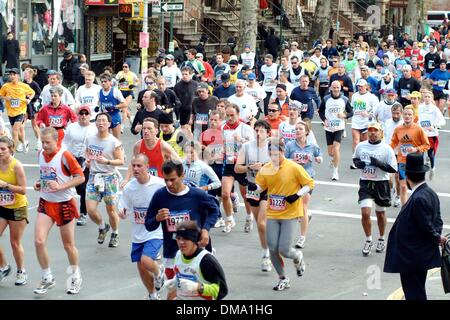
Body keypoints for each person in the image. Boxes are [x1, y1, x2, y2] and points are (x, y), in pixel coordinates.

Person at [145, 160, 220, 299]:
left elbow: (215, 210)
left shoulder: (197, 195)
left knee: (200, 292)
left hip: (197, 252)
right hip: (172, 253)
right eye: (166, 180)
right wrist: (157, 218)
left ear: (182, 175)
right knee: (176, 292)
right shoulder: (160, 196)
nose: (169, 184)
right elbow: (149, 225)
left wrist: (205, 229)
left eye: (172, 179)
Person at [253, 137, 314, 291]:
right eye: (271, 154)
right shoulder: (266, 168)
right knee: (272, 247)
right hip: (273, 213)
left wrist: (297, 195)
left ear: (282, 152)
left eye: (276, 153)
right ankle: (283, 278)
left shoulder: (293, 167)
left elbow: (309, 184)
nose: (274, 157)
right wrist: (253, 187)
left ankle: (297, 256)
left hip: (291, 214)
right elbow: (261, 185)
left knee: (284, 249)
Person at [384, 152, 446, 300]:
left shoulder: (418, 198)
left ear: (407, 175)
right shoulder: (430, 193)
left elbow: (426, 226)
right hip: (419, 255)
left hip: (412, 257)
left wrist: (437, 238)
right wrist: (436, 237)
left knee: (414, 293)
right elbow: (438, 221)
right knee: (416, 291)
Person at [33, 127, 85, 295]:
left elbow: (80, 177)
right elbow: (46, 175)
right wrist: (39, 184)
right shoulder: (40, 154)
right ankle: (47, 276)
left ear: (57, 141)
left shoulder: (65, 156)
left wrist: (61, 186)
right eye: (42, 142)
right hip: (46, 202)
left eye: (48, 142)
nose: (45, 145)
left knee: (68, 245)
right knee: (39, 241)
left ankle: (75, 275)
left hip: (64, 203)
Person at [118, 154, 166, 300]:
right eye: (133, 166)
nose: (136, 168)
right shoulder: (129, 188)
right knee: (141, 267)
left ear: (147, 167)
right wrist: (121, 212)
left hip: (155, 231)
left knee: (146, 261)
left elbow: (170, 198)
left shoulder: (159, 184)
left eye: (139, 166)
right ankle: (152, 294)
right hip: (138, 233)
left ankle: (159, 272)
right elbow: (122, 206)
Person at [352, 122, 397, 256]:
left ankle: (382, 238)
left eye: (375, 130)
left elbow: (393, 168)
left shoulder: (386, 148)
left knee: (380, 213)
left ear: (381, 133)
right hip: (366, 182)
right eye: (370, 130)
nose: (372, 133)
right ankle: (368, 239)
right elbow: (355, 160)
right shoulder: (361, 146)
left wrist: (378, 163)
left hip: (381, 183)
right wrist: (358, 164)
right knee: (365, 213)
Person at [235, 120, 272, 271]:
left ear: (268, 133)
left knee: (263, 223)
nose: (258, 133)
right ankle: (266, 248)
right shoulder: (246, 147)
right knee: (260, 224)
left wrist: (263, 167)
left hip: (268, 187)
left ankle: (267, 256)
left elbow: (279, 167)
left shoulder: (273, 146)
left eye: (262, 131)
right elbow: (237, 168)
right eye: (256, 130)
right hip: (252, 186)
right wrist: (250, 167)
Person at [85, 112, 125, 248]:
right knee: (90, 209)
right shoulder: (90, 138)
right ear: (95, 123)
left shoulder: (114, 142)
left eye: (104, 121)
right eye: (98, 120)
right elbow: (87, 152)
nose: (101, 123)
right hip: (94, 177)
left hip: (110, 178)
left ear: (109, 124)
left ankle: (115, 232)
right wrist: (88, 160)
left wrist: (107, 161)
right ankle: (102, 226)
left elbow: (121, 161)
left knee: (111, 210)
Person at [164, 221, 228, 300]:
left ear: (194, 240)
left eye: (186, 238)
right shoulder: (178, 255)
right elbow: (179, 278)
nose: (181, 242)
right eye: (178, 238)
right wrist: (174, 282)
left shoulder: (206, 260)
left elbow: (221, 291)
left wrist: (198, 287)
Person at [285, 121, 322, 249]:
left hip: (307, 178)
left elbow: (320, 156)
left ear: (306, 131)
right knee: (294, 207)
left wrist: (318, 159)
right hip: (293, 179)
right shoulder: (289, 145)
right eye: (296, 129)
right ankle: (305, 216)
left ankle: (302, 237)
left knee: (304, 206)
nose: (297, 131)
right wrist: (292, 160)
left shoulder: (312, 146)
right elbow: (282, 160)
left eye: (300, 129)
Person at [221, 104, 254, 233]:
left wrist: (240, 140)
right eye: (227, 115)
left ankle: (249, 216)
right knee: (225, 194)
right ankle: (229, 220)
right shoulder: (223, 127)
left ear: (238, 114)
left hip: (242, 164)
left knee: (245, 195)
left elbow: (253, 145)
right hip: (228, 163)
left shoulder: (245, 128)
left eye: (232, 115)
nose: (230, 118)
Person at [0, 137, 28, 285]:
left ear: (11, 149)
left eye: (3, 149)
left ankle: (21, 271)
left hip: (17, 207)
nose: (0, 152)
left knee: (14, 242)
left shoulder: (16, 166)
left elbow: (23, 190)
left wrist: (5, 185)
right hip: (2, 206)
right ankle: (4, 267)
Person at [63, 106, 97, 226]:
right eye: (81, 114)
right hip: (72, 158)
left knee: (83, 188)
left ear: (89, 115)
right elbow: (65, 142)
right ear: (77, 115)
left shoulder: (94, 128)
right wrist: (64, 154)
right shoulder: (72, 127)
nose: (83, 116)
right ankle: (66, 209)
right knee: (70, 185)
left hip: (87, 160)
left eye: (86, 114)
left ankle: (83, 213)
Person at [390, 106, 430, 205]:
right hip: (402, 160)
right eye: (405, 114)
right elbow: (393, 143)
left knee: (415, 185)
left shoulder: (418, 129)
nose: (407, 116)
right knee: (403, 185)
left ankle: (415, 205)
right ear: (402, 115)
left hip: (415, 161)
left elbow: (427, 145)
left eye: (409, 114)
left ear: (413, 116)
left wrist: (415, 149)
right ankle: (404, 208)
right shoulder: (398, 129)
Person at [123, 117, 180, 183]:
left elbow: (178, 162)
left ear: (156, 131)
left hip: (159, 184)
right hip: (143, 182)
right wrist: (126, 179)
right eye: (144, 128)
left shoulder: (163, 146)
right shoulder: (138, 146)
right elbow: (132, 163)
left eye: (149, 128)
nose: (146, 131)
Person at [318, 80, 353, 180]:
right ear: (331, 88)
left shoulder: (344, 99)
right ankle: (333, 160)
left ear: (340, 88)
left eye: (337, 87)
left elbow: (351, 112)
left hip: (339, 127)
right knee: (330, 152)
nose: (336, 89)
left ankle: (335, 171)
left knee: (336, 148)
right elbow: (320, 111)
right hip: (328, 127)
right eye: (334, 87)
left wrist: (345, 115)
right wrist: (324, 120)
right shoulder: (326, 99)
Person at [0, 68, 35, 153]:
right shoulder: (5, 86)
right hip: (11, 112)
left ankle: (12, 152)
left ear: (18, 76)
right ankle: (24, 142)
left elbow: (32, 92)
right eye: (10, 74)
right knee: (16, 132)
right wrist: (5, 98)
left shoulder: (24, 86)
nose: (12, 76)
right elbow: (0, 95)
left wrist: (29, 99)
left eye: (14, 74)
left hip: (21, 111)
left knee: (14, 131)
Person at [417, 90, 446, 179]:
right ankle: (420, 173)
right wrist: (419, 127)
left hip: (431, 134)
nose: (427, 98)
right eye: (425, 96)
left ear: (432, 98)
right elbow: (417, 119)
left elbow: (443, 121)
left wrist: (433, 126)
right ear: (423, 98)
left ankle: (432, 168)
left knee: (430, 154)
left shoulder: (434, 109)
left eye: (429, 97)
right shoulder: (420, 107)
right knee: (420, 154)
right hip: (422, 134)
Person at [97, 73, 127, 139]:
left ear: (110, 82)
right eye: (102, 82)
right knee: (105, 139)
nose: (103, 83)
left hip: (114, 116)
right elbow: (99, 102)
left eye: (105, 81)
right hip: (105, 117)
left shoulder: (116, 91)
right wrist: (97, 107)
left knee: (116, 140)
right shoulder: (99, 92)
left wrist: (114, 107)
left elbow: (124, 104)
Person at [23, 67, 42, 151]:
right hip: (24, 106)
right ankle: (23, 142)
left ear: (30, 75)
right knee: (21, 125)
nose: (24, 75)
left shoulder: (34, 84)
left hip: (33, 106)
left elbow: (39, 95)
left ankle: (39, 141)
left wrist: (31, 97)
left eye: (26, 74)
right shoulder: (22, 83)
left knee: (34, 124)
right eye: (24, 73)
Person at [116, 62, 139, 128]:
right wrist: (119, 81)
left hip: (129, 92)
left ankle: (122, 125)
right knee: (124, 108)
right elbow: (115, 81)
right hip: (121, 92)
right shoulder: (120, 73)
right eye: (123, 67)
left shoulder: (132, 74)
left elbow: (137, 81)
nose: (124, 68)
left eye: (126, 67)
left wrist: (134, 85)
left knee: (124, 107)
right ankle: (130, 118)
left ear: (129, 67)